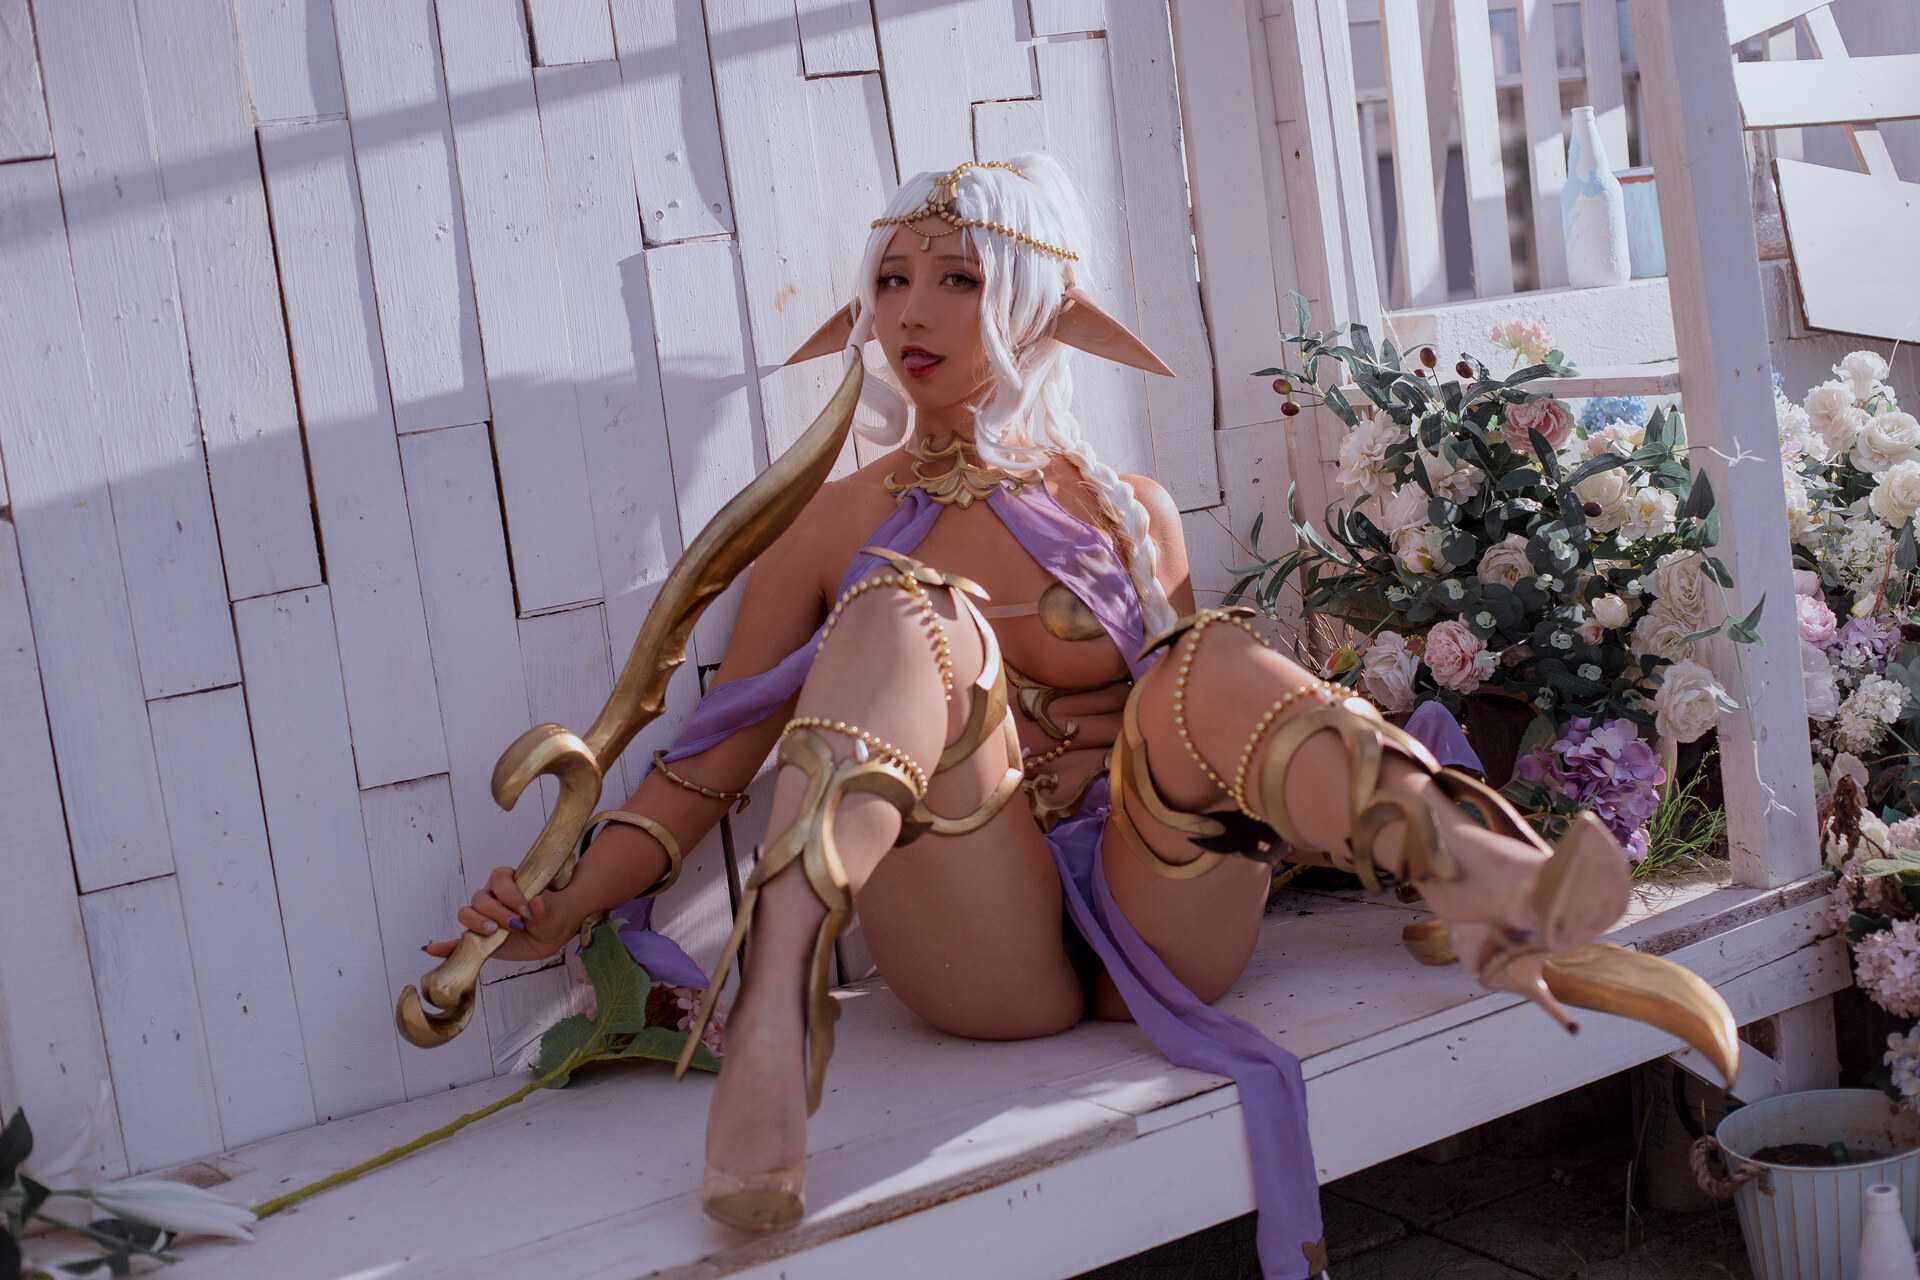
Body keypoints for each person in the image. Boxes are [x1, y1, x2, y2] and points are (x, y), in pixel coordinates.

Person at [427, 154, 1725, 1280]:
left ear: (1039, 299)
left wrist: (1167, 723)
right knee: (902, 611)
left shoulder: (1127, 509)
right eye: (890, 279)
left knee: (1204, 652)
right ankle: (777, 1004)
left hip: (1160, 905)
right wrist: (564, 901)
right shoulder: (829, 526)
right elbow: (704, 773)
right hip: (979, 942)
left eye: (958, 277)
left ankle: (1482, 872)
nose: (910, 312)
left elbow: (1204, 730)